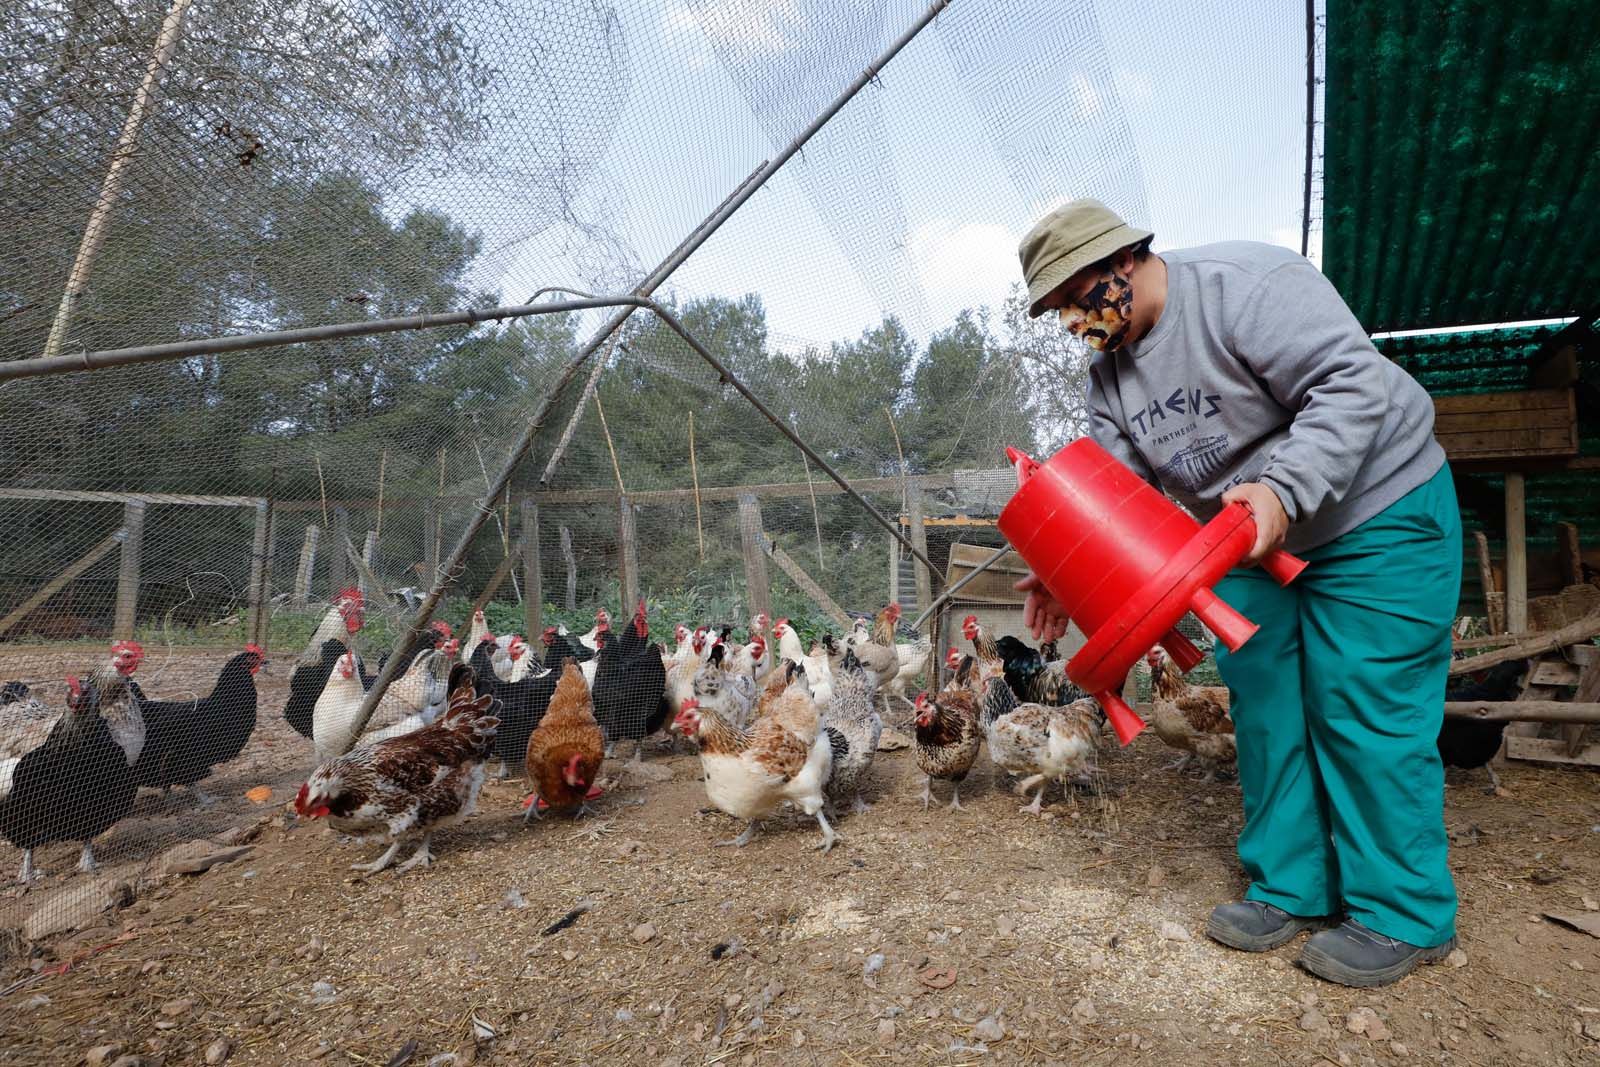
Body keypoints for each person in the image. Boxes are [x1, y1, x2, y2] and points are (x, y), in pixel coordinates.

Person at [1013, 198, 1461, 988]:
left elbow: (1353, 383)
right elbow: (1120, 499)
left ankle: (1402, 912)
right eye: (1057, 311)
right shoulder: (1109, 379)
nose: (1074, 320)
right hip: (1241, 545)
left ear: (1122, 258)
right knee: (1267, 710)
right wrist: (1062, 565)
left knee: (1363, 704)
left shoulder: (1245, 286)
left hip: (1375, 510)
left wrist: (1282, 490)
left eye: (1076, 294)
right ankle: (1291, 885)